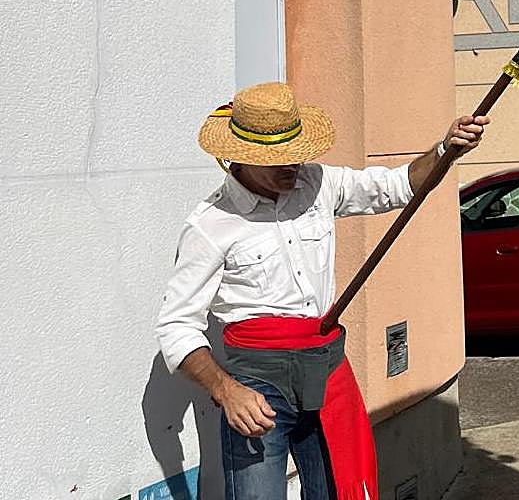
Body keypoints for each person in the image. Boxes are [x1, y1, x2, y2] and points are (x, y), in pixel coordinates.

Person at [155, 82, 488, 500]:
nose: (292, 166)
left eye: (297, 153)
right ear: (241, 157)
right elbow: (176, 326)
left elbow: (397, 186)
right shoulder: (210, 224)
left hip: (327, 371)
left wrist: (444, 151)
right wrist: (227, 391)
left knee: (336, 492)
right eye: (278, 159)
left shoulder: (317, 182)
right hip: (257, 384)